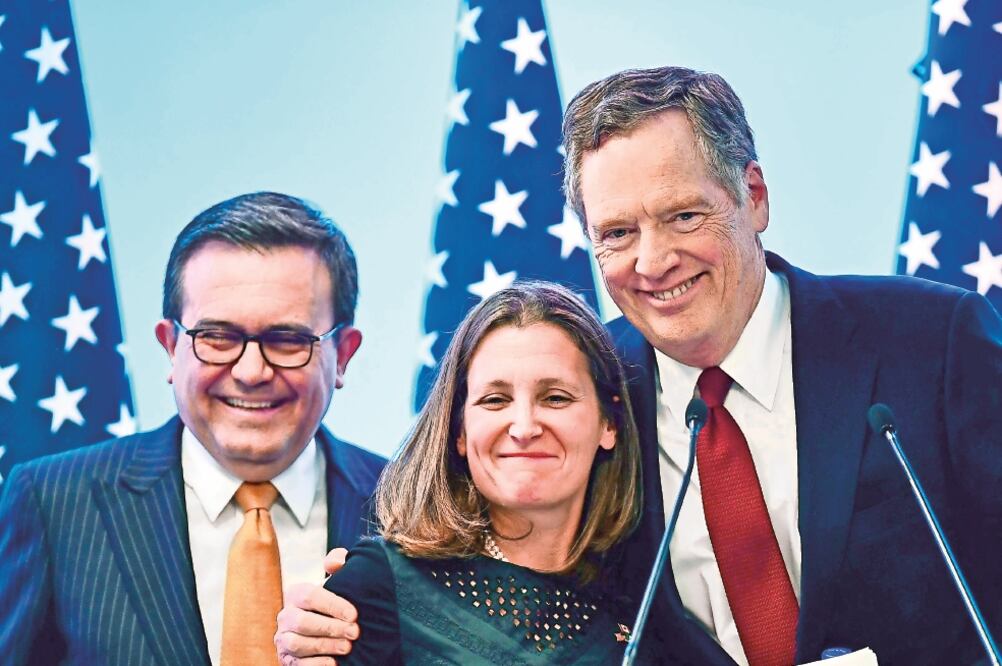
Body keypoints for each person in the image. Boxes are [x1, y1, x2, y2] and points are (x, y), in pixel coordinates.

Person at [559, 66, 1002, 665]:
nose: (653, 261)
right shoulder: (584, 393)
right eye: (617, 233)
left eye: (684, 216)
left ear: (755, 197)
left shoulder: (933, 343)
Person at [0, 192, 385, 666]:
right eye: (217, 337)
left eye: (287, 340)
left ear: (343, 354)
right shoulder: (54, 503)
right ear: (170, 346)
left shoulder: (412, 512)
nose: (251, 371)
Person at [304, 282, 644, 664]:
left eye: (555, 398)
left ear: (609, 423)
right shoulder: (379, 585)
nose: (524, 427)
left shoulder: (647, 599)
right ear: (460, 431)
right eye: (495, 400)